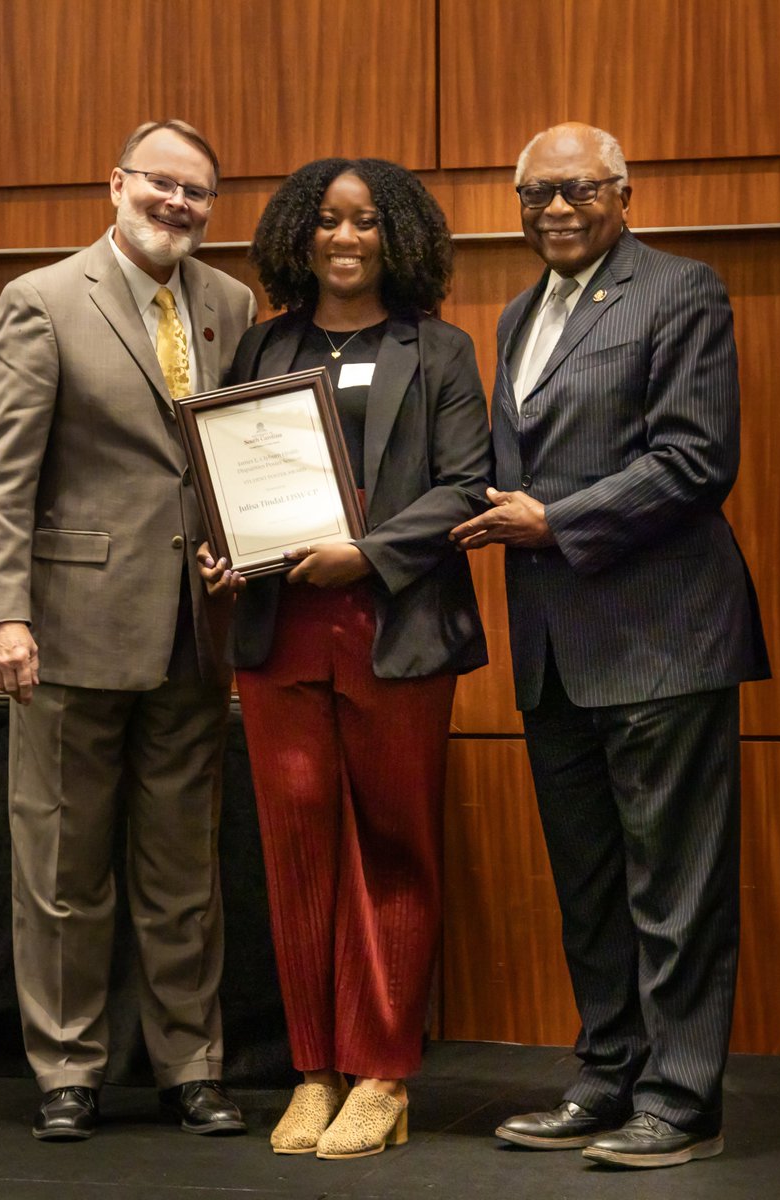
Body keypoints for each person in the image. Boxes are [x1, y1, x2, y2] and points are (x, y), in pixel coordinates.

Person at [451, 122, 770, 1170]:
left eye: (578, 189)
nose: (555, 209)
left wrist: (558, 521)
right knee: (589, 882)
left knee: (672, 887)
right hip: (553, 645)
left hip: (661, 635)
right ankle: (606, 1076)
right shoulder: (516, 312)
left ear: (623, 192)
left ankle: (682, 1102)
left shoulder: (681, 292)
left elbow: (695, 457)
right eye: (535, 193)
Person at [0, 119, 256, 1141]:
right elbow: (4, 475)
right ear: (117, 184)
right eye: (162, 186)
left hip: (195, 628)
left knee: (184, 869)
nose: (178, 206)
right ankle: (67, 1069)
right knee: (60, 866)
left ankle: (192, 1067)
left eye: (198, 195)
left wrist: (244, 548)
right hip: (69, 630)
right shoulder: (43, 300)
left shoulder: (230, 302)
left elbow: (231, 458)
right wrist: (2, 612)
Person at [201, 157, 491, 1159]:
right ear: (299, 234)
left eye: (366, 222)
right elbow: (224, 481)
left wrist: (366, 553)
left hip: (395, 631)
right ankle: (315, 1068)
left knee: (395, 846)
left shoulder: (442, 352)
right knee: (298, 857)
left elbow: (466, 487)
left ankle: (384, 1074)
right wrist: (220, 547)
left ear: (396, 235)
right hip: (280, 636)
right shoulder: (262, 345)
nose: (346, 239)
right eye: (328, 221)